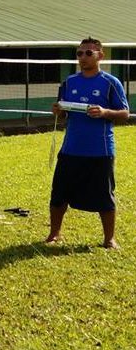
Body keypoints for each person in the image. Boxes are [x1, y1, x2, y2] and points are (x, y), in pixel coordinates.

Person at [47, 37, 129, 249]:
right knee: (59, 194)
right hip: (71, 149)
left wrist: (104, 112)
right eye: (79, 53)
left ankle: (109, 239)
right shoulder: (70, 82)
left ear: (100, 56)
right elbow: (64, 114)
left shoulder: (111, 82)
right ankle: (54, 234)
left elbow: (124, 114)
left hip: (99, 151)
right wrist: (59, 111)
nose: (83, 57)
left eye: (88, 53)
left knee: (104, 196)